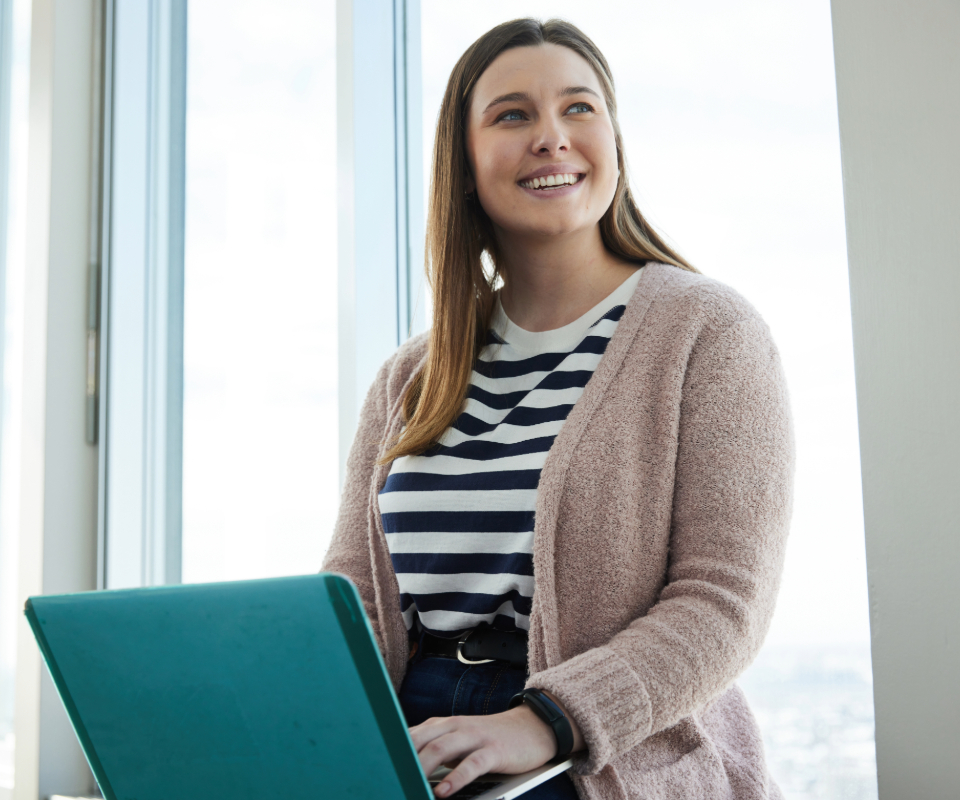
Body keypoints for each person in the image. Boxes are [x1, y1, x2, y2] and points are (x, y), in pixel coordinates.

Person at [323, 17, 793, 800]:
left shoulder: (708, 333)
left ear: (613, 139)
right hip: (413, 733)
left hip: (598, 747)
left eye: (579, 108)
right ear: (465, 164)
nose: (552, 136)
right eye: (513, 115)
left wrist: (543, 721)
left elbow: (723, 604)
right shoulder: (411, 374)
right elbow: (356, 600)